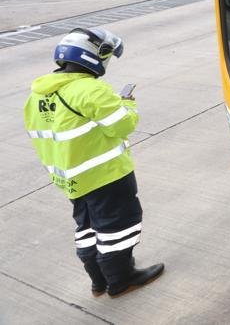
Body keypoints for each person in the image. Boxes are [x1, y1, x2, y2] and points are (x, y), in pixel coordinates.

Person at [23, 28, 164, 297]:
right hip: (105, 175)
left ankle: (99, 280)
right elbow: (122, 126)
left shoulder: (37, 96)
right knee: (118, 226)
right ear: (93, 57)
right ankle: (121, 280)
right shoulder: (90, 89)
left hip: (71, 178)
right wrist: (128, 105)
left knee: (87, 227)